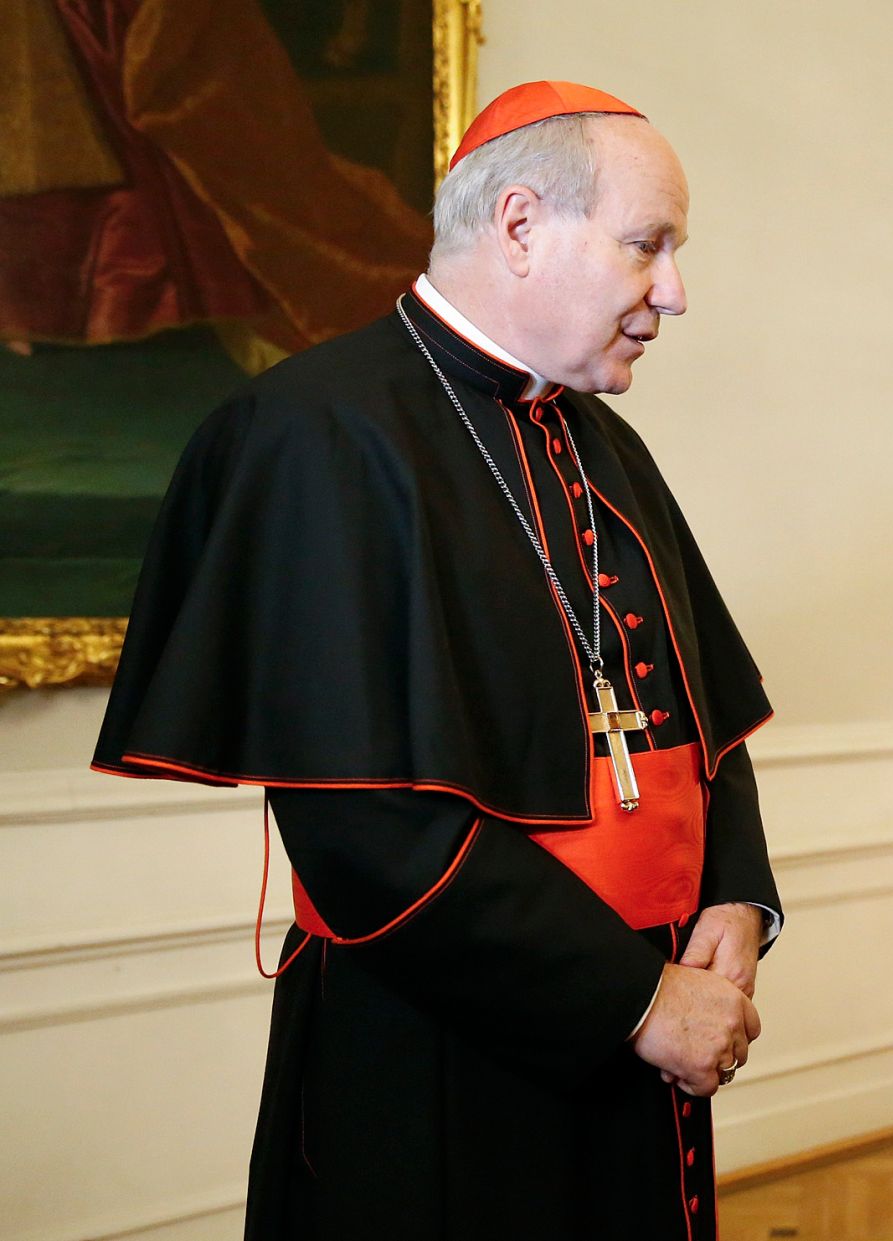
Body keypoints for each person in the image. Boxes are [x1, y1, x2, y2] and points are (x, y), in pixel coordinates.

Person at [93, 81, 780, 1240]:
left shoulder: (599, 440)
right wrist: (633, 998)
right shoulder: (313, 433)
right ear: (519, 225)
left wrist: (737, 894)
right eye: (645, 245)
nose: (674, 290)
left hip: (650, 1015)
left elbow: (695, 714)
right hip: (439, 1049)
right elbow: (359, 827)